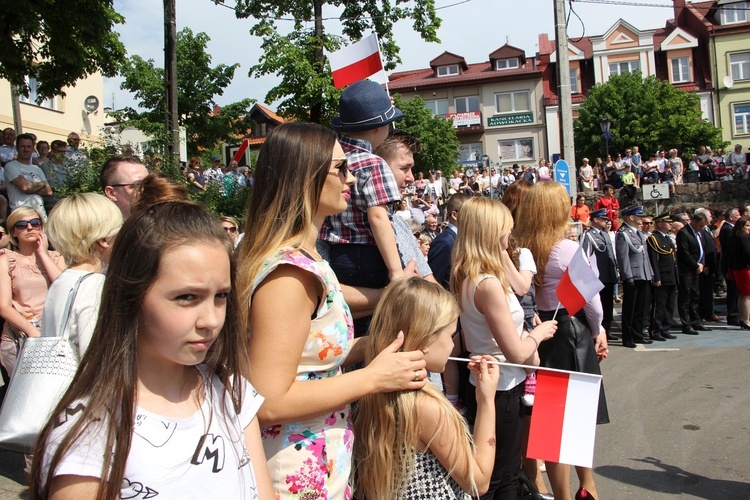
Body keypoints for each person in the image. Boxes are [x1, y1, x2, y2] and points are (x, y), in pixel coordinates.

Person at [30, 202, 273, 499]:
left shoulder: (233, 393)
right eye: (186, 297)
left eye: (221, 296)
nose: (211, 320)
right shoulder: (91, 435)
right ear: (131, 294)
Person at [236, 123, 427, 498]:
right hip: (293, 469)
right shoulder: (289, 274)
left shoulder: (307, 259)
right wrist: (374, 377)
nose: (352, 179)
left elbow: (310, 362)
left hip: (319, 460)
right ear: (305, 177)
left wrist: (374, 347)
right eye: (340, 168)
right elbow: (270, 400)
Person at [451, 197, 558, 500]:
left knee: (499, 473)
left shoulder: (469, 274)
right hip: (502, 386)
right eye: (505, 231)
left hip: (491, 381)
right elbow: (516, 352)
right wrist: (538, 334)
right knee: (502, 476)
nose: (509, 237)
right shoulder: (487, 283)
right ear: (492, 232)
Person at [354, 278, 499, 499]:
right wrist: (487, 401)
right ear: (425, 338)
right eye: (450, 336)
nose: (453, 345)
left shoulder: (373, 388)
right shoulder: (425, 407)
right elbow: (478, 482)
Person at [515, 181, 609, 500]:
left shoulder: (520, 248)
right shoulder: (566, 248)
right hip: (569, 330)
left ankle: (562, 491)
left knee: (550, 422)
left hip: (537, 331)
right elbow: (591, 298)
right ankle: (585, 489)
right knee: (573, 420)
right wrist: (599, 330)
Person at [320, 80, 408, 335]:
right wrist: (396, 272)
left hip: (338, 254)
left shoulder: (333, 159)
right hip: (369, 255)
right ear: (380, 128)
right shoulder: (373, 163)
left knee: (350, 320)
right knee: (380, 323)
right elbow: (379, 217)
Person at [41, 194, 122, 357]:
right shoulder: (94, 286)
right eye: (119, 230)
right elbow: (94, 358)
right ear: (104, 240)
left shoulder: (62, 281)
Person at [0, 207, 64, 374]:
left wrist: (42, 254)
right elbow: (3, 306)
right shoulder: (7, 260)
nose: (29, 228)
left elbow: (65, 287)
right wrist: (33, 333)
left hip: (55, 336)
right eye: (21, 225)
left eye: (35, 223)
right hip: (22, 339)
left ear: (42, 228)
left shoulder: (56, 257)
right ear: (13, 232)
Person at [615, 206, 654, 347]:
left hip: (643, 274)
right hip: (633, 275)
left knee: (640, 308)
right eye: (639, 216)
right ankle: (628, 336)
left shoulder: (638, 233)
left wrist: (650, 273)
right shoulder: (623, 234)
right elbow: (623, 257)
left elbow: (645, 256)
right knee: (630, 308)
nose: (642, 219)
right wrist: (627, 276)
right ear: (631, 217)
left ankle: (637, 334)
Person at [582, 210, 619, 342]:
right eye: (603, 219)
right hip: (598, 277)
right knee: (599, 306)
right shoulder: (589, 235)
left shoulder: (605, 234)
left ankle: (607, 330)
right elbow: (585, 256)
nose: (606, 221)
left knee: (608, 305)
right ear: (596, 220)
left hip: (608, 275)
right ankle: (598, 331)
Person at [676, 212, 711, 335]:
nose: (701, 228)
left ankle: (696, 321)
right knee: (685, 297)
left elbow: (702, 249)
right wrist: (695, 265)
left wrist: (702, 263)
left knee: (695, 296)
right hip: (687, 271)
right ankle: (686, 324)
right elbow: (684, 253)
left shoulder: (698, 233)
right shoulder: (684, 233)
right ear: (694, 222)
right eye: (700, 225)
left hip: (697, 269)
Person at [4, 133, 52, 218]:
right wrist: (42, 184)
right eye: (23, 146)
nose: (26, 149)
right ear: (17, 148)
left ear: (33, 149)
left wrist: (30, 186)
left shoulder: (37, 168)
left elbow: (48, 191)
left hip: (41, 214)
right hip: (22, 214)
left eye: (29, 147)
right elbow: (25, 187)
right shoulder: (11, 166)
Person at [646, 214, 678, 341]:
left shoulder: (667, 239)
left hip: (671, 276)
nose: (670, 224)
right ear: (659, 224)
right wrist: (657, 277)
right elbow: (654, 260)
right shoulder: (653, 239)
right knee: (659, 306)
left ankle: (665, 328)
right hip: (662, 277)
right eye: (667, 222)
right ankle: (656, 330)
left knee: (669, 305)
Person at [727, 219, 750, 329]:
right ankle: (746, 319)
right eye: (747, 225)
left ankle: (742, 318)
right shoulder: (743, 238)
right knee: (747, 295)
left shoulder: (733, 238)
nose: (749, 228)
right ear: (741, 227)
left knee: (742, 295)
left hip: (737, 269)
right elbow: (748, 253)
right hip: (745, 269)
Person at [721, 208, 741, 326]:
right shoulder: (728, 229)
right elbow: (731, 247)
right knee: (733, 291)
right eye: (737, 215)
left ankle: (736, 314)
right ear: (731, 217)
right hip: (730, 265)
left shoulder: (731, 228)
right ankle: (733, 315)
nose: (739, 217)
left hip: (733, 264)